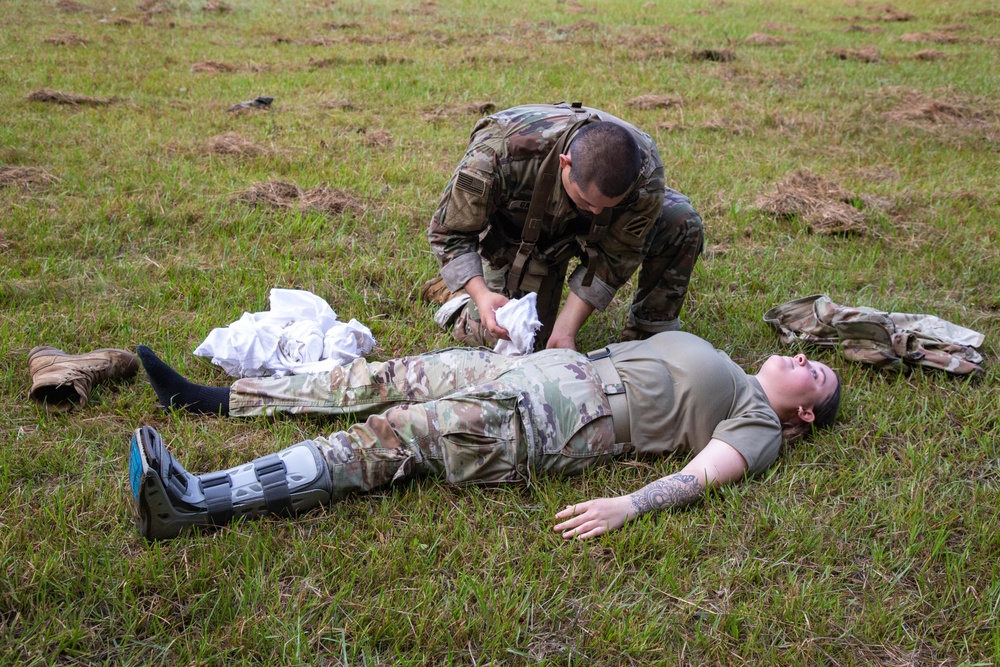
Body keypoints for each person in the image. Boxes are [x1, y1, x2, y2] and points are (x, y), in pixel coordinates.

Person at [128, 333, 841, 541]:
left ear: (803, 414)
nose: (804, 359)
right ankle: (220, 399)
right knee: (386, 377)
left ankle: (195, 501)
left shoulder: (756, 420)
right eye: (811, 355)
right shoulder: (731, 360)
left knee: (396, 435)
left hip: (565, 419)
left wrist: (631, 503)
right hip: (541, 368)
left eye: (818, 376)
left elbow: (711, 470)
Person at [422, 102, 704, 351]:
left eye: (607, 205)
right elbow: (450, 233)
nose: (595, 211)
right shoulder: (495, 154)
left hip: (589, 235)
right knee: (508, 335)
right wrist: (482, 295)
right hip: (521, 236)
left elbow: (617, 256)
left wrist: (566, 328)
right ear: (565, 163)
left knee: (680, 220)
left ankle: (649, 336)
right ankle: (457, 294)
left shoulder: (646, 175)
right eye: (586, 200)